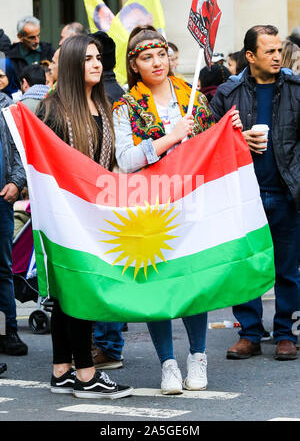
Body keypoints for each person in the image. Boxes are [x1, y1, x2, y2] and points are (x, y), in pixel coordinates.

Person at [112, 25, 242, 394]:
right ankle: (167, 364)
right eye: (146, 57)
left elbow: (213, 144)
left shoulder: (193, 97)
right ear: (134, 65)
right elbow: (125, 160)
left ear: (171, 57)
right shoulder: (125, 107)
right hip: (150, 205)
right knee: (159, 285)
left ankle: (197, 357)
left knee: (192, 281)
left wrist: (230, 128)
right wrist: (170, 136)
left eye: (162, 54)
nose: (157, 62)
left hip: (191, 203)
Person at [36, 35, 133, 399]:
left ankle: (62, 370)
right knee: (79, 291)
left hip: (96, 213)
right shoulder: (52, 109)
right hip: (64, 215)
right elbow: (43, 165)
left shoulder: (103, 106)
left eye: (98, 58)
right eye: (88, 59)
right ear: (73, 66)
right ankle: (87, 375)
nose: (97, 63)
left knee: (67, 294)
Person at [210, 25, 300, 361]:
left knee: (287, 269)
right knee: (244, 265)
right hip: (243, 192)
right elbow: (208, 138)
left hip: (286, 192)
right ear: (250, 56)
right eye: (269, 51)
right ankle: (248, 333)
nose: (277, 56)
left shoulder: (295, 87)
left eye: (279, 50)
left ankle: (285, 334)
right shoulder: (228, 92)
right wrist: (238, 140)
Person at [87, 30, 125, 370]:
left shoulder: (107, 97)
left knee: (104, 270)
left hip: (103, 194)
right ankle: (107, 343)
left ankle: (108, 345)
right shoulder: (118, 93)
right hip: (106, 194)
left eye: (95, 56)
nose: (93, 64)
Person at [0, 91, 28, 356]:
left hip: (2, 201)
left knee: (3, 270)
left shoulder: (7, 108)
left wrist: (16, 182)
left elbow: (20, 150)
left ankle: (7, 331)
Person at [7, 16, 54, 81]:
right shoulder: (11, 57)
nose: (37, 41)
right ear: (20, 37)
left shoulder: (49, 50)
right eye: (32, 37)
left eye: (38, 35)